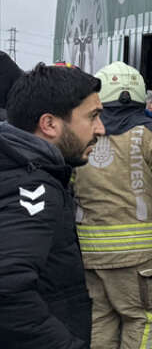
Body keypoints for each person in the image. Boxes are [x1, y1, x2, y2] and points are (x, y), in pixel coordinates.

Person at [77, 62, 152, 349]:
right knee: (143, 319)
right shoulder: (150, 134)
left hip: (90, 251)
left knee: (99, 320)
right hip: (140, 256)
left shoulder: (81, 133)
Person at [0, 63, 106, 348]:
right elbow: (7, 289)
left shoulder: (17, 168)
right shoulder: (33, 187)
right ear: (49, 124)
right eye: (93, 116)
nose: (101, 129)